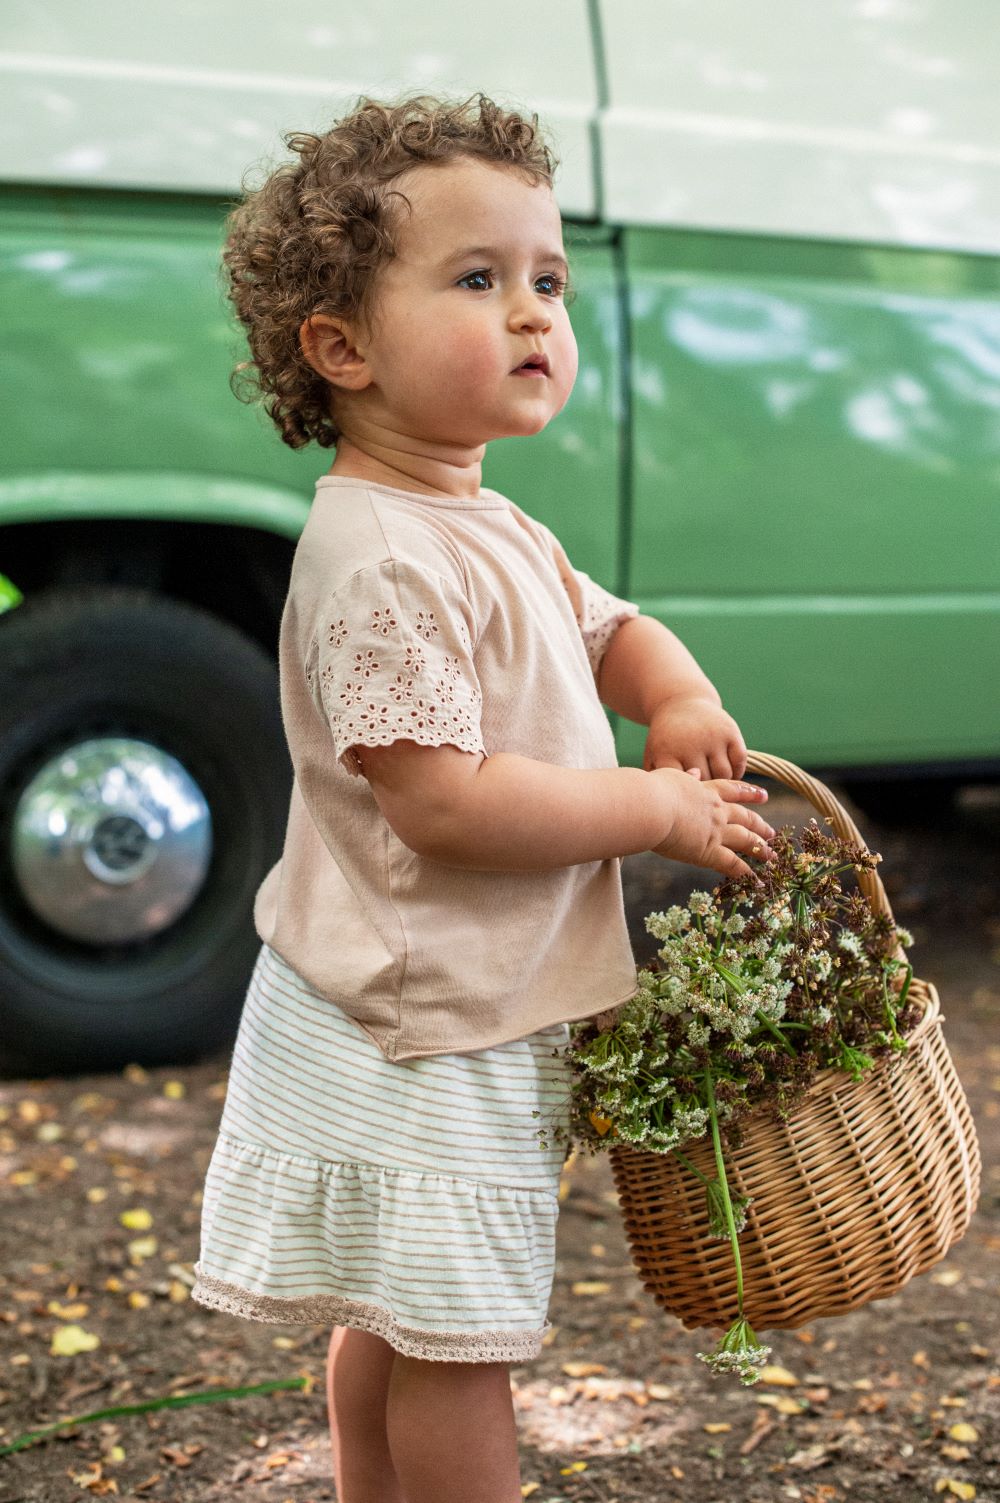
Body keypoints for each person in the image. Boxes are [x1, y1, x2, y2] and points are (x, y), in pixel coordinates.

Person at [191, 92, 777, 1503]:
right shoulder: (382, 559)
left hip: (452, 996)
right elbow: (444, 807)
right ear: (341, 348)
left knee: (398, 1309)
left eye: (547, 280)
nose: (533, 315)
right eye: (479, 279)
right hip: (418, 1018)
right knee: (457, 1335)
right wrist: (652, 810)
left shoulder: (481, 513)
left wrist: (679, 699)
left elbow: (609, 629)